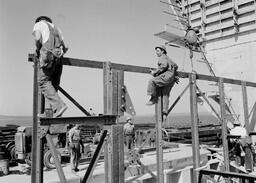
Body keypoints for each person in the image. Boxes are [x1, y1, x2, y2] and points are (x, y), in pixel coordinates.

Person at [32, 16, 68, 117]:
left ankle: (59, 106)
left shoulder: (38, 24)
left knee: (43, 82)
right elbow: (66, 46)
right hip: (59, 58)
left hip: (48, 56)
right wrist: (57, 55)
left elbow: (38, 38)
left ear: (39, 20)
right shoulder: (57, 28)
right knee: (52, 85)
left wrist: (38, 49)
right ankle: (52, 112)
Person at [146, 45, 178, 121]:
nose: (156, 53)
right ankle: (164, 113)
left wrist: (154, 72)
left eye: (158, 51)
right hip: (171, 80)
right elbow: (176, 66)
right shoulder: (168, 58)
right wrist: (174, 75)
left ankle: (153, 98)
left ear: (162, 51)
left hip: (166, 78)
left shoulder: (162, 57)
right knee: (165, 95)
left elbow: (163, 66)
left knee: (152, 82)